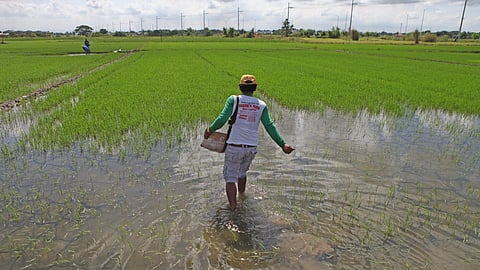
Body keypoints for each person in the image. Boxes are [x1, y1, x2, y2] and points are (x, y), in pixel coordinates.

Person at [204, 74, 295, 211]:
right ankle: (242, 197)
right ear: (254, 88)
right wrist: (283, 144)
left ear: (240, 87)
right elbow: (269, 126)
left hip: (234, 146)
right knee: (242, 173)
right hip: (251, 148)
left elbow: (222, 118)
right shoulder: (261, 105)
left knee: (230, 178)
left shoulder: (234, 100)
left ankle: (233, 210)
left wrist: (210, 130)